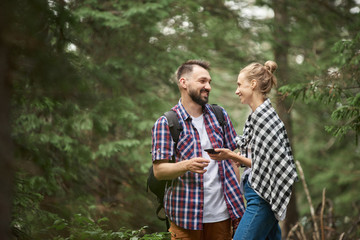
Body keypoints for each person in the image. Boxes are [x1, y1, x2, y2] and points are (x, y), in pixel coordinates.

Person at [151, 60, 245, 240]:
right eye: (202, 81)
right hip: (184, 218)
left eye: (209, 82)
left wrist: (236, 205)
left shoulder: (220, 116)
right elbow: (159, 171)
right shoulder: (166, 123)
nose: (208, 86)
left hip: (222, 217)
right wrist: (186, 165)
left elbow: (233, 160)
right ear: (184, 83)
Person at [208, 61, 298, 240]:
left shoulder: (265, 119)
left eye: (240, 84)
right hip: (257, 194)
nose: (237, 90)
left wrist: (232, 156)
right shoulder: (257, 116)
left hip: (261, 198)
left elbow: (267, 166)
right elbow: (261, 157)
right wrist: (239, 155)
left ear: (253, 84)